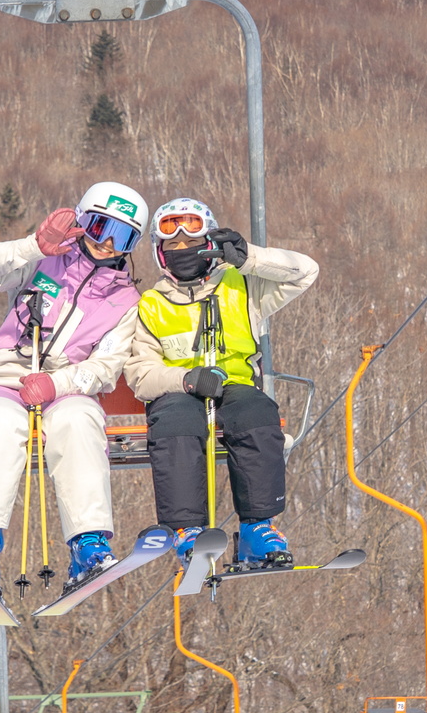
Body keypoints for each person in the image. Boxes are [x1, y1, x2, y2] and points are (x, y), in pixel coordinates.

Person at [0, 182, 149, 592]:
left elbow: (106, 365)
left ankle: (89, 545)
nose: (107, 244)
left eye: (122, 237)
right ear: (81, 221)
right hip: (7, 378)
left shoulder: (126, 300)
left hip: (67, 390)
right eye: (100, 228)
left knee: (80, 423)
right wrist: (34, 246)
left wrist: (57, 383)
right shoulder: (44, 263)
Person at [123, 197, 318, 568]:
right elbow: (141, 374)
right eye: (173, 246)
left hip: (236, 386)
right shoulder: (151, 305)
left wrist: (250, 258)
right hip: (180, 391)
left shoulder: (243, 286)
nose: (184, 252)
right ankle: (186, 530)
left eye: (193, 243)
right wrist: (186, 379)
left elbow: (305, 272)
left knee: (257, 413)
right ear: (160, 255)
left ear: (209, 245)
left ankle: (257, 528)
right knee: (176, 420)